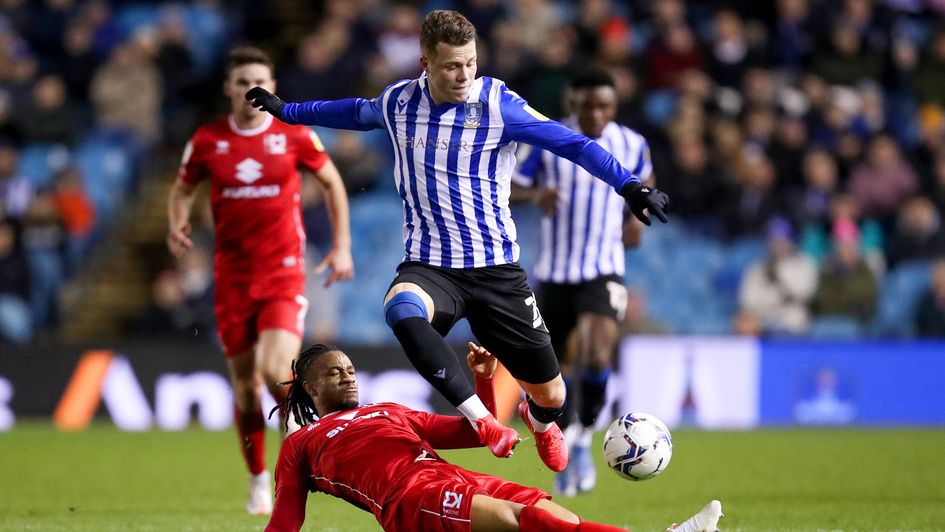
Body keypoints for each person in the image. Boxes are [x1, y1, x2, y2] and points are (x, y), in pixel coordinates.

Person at [246, 9, 670, 473]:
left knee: (553, 395)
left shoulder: (497, 104)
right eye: (452, 66)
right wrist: (287, 110)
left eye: (470, 62)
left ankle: (539, 417)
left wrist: (631, 186)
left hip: (497, 272)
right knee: (401, 309)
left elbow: (571, 143)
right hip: (432, 266)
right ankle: (482, 420)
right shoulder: (399, 103)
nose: (464, 74)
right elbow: (351, 111)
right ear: (425, 62)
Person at [167, 46, 354, 515]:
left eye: (262, 81)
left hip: (283, 272)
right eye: (243, 81)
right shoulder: (208, 140)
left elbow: (332, 182)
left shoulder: (293, 134)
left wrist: (342, 245)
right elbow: (182, 188)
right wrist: (177, 222)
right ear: (229, 89)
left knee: (276, 370)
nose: (252, 89)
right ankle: (256, 478)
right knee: (246, 388)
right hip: (232, 279)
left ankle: (299, 445)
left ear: (272, 89)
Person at [266, 342, 723, 532]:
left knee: (553, 517)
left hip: (455, 477)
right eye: (333, 373)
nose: (347, 377)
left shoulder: (390, 411)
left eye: (349, 369)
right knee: (519, 518)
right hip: (408, 499)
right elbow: (285, 521)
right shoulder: (300, 444)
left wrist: (484, 383)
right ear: (310, 386)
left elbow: (475, 432)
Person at [509, 68, 650, 496]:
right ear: (573, 102)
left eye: (604, 105)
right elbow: (509, 187)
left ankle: (586, 439)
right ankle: (568, 442)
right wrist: (537, 196)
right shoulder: (549, 140)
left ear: (614, 105)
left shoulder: (632, 144)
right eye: (587, 104)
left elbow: (645, 184)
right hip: (554, 272)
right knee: (558, 369)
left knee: (595, 346)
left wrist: (637, 220)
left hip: (604, 268)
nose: (595, 113)